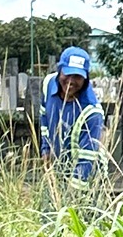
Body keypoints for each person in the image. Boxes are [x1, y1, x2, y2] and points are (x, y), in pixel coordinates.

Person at [40, 46, 104, 184]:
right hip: (55, 172)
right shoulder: (49, 84)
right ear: (59, 71)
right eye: (67, 74)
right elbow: (44, 116)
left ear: (86, 78)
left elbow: (86, 161)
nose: (71, 81)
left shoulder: (92, 112)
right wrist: (45, 149)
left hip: (86, 181)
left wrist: (70, 196)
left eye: (77, 76)